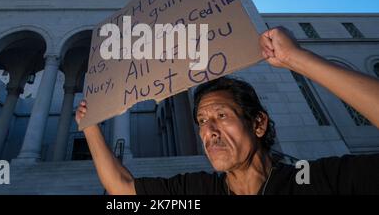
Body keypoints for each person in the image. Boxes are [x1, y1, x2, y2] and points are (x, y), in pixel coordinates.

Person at [75, 27, 379, 195]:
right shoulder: (197, 192)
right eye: (202, 121)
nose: (209, 131)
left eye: (221, 115)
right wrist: (89, 125)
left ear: (258, 123)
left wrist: (297, 59)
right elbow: (122, 190)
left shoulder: (313, 180)